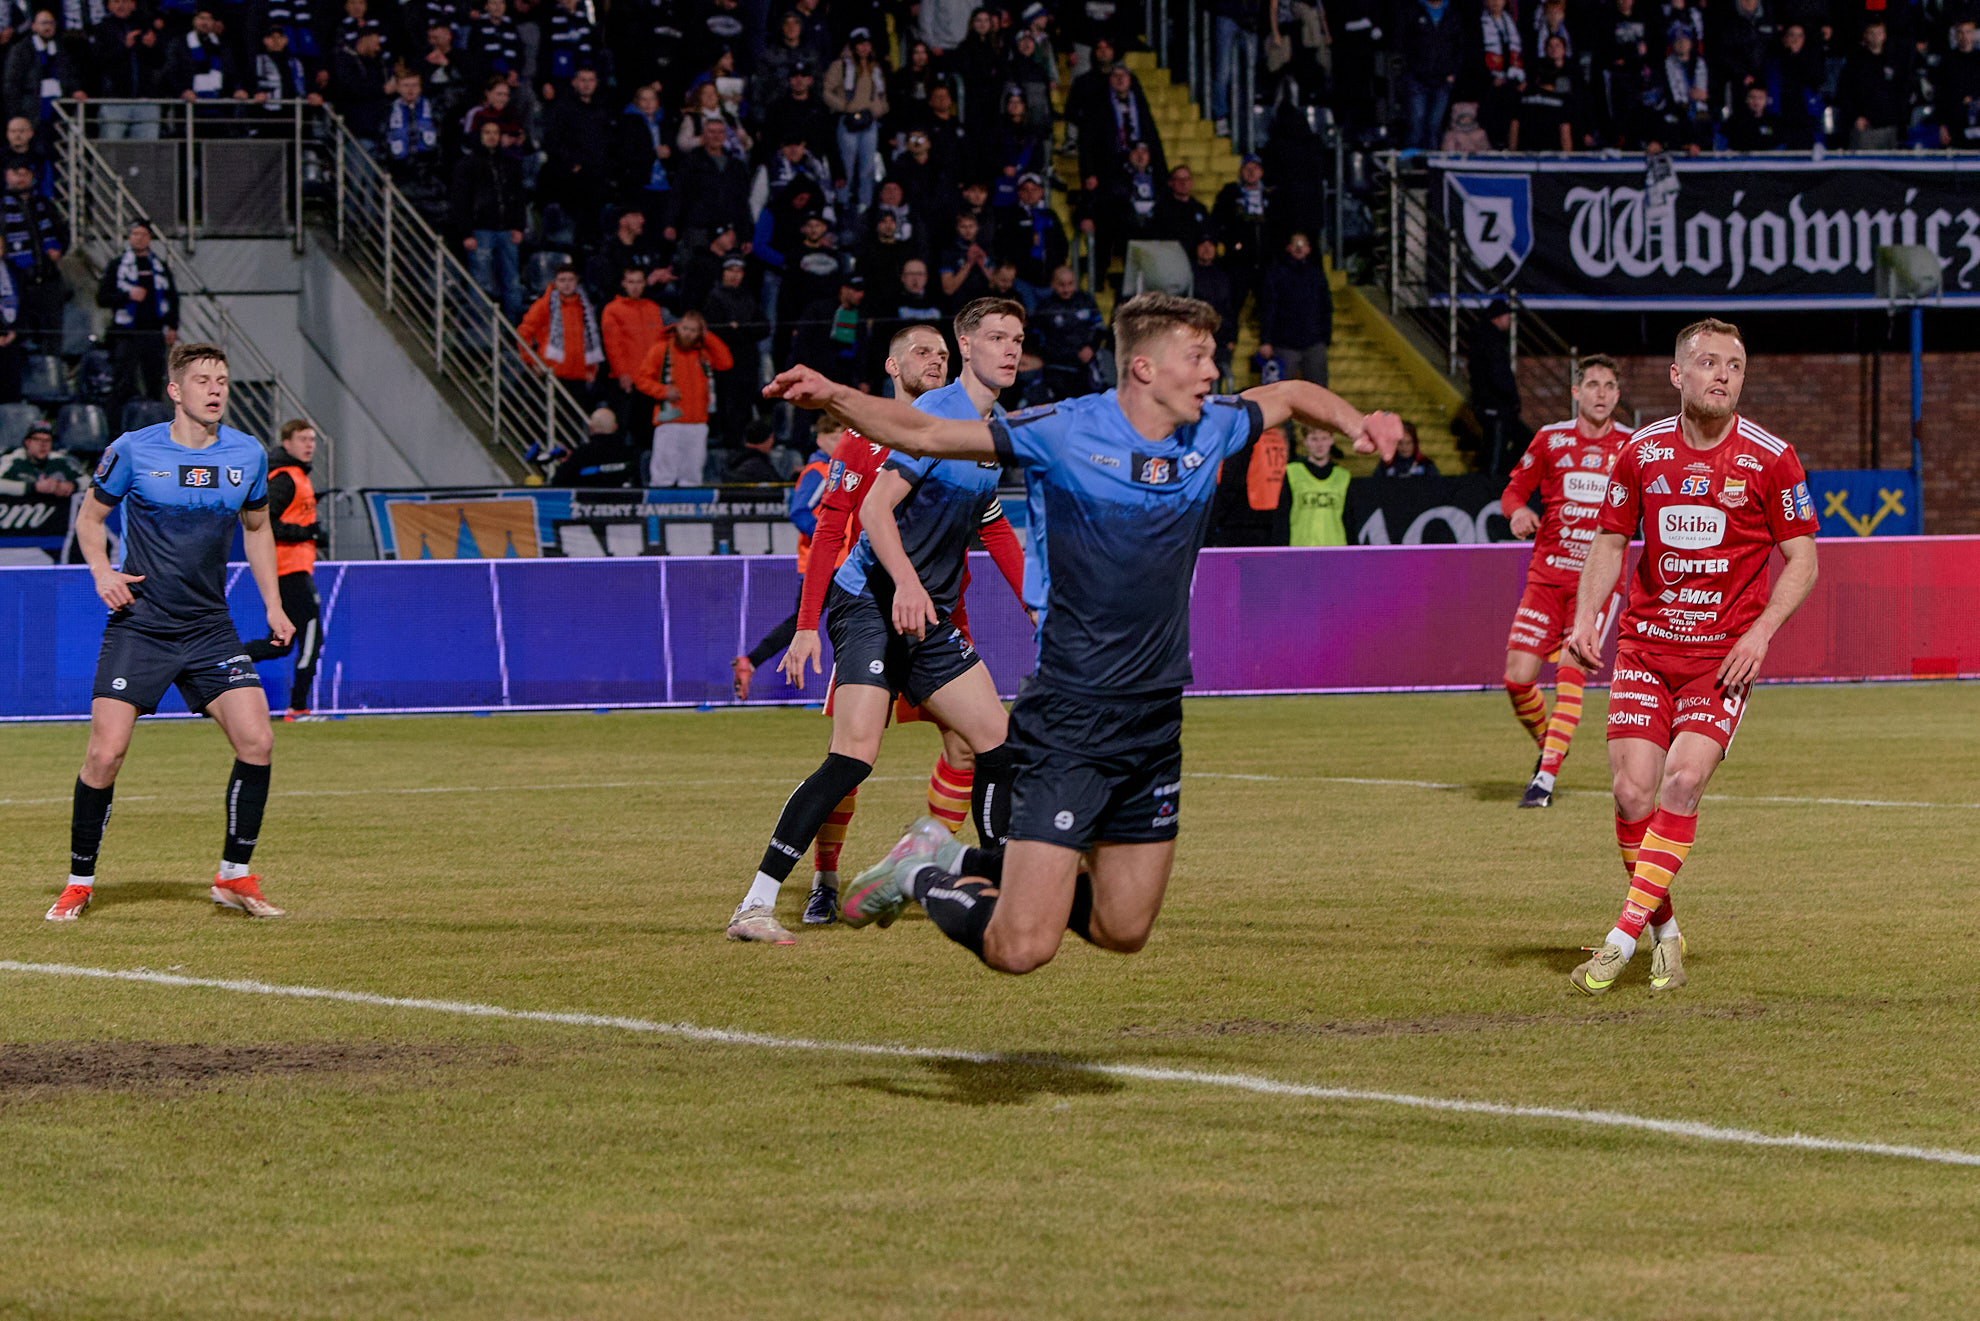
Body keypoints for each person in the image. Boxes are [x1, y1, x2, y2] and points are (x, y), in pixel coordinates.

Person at [773, 292, 1402, 973]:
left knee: (1123, 927)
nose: (1211, 371)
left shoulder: (1213, 427)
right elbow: (923, 433)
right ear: (1144, 368)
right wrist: (834, 395)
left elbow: (1290, 393)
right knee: (1021, 947)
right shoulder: (1067, 430)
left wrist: (1357, 421)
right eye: (1196, 357)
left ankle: (944, 855)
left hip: (1154, 719)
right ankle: (918, 874)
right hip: (1072, 713)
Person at [729, 299, 1032, 944]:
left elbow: (989, 521)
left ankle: (997, 886)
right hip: (868, 600)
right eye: (997, 337)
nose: (1011, 349)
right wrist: (892, 590)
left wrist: (1035, 598)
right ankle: (755, 905)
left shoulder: (992, 429)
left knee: (1001, 748)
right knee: (853, 757)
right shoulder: (932, 417)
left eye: (1018, 338)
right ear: (968, 345)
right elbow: (870, 511)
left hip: (927, 615)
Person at [1564, 319, 1819, 995]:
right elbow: (1610, 542)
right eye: (1708, 362)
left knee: (1681, 783)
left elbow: (1803, 559)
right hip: (1646, 649)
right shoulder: (1642, 452)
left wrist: (1760, 634)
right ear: (1678, 375)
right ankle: (1666, 935)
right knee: (1630, 792)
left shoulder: (1771, 458)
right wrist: (1587, 617)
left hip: (1722, 659)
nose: (1723, 375)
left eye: (1734, 365)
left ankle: (1619, 940)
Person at [46, 342, 295, 923]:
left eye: (223, 380)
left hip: (210, 628)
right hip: (142, 625)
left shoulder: (247, 454)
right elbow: (90, 518)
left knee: (257, 742)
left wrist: (274, 605)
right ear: (176, 391)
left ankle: (234, 876)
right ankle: (80, 882)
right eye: (203, 380)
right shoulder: (133, 449)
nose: (216, 389)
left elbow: (258, 529)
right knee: (105, 754)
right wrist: (102, 572)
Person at [1499, 355, 1631, 810]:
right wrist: (1518, 510)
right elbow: (1514, 490)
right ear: (1576, 392)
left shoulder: (1631, 446)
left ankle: (1544, 780)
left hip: (1597, 585)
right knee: (1517, 679)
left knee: (1571, 675)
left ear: (1617, 395)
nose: (1601, 394)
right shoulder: (1551, 440)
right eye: (1592, 385)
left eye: (1609, 386)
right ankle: (1551, 744)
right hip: (1547, 576)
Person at [242, 421, 329, 720]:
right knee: (311, 639)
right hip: (289, 570)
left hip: (289, 569)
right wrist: (307, 533)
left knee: (280, 643)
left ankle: (227, 658)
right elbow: (266, 524)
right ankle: (299, 707)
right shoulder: (285, 478)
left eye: (312, 440)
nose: (310, 445)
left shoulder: (295, 476)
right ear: (287, 443)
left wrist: (311, 533)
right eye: (303, 439)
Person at [635, 309, 732, 485]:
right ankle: (661, 503)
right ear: (677, 327)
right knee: (663, 476)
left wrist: (708, 336)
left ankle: (689, 503)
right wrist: (663, 391)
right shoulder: (660, 349)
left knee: (692, 476)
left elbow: (726, 362)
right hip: (669, 422)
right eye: (685, 328)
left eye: (693, 330)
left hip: (697, 423)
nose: (687, 334)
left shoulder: (703, 353)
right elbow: (642, 379)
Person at [95, 220, 178, 420]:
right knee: (123, 383)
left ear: (150, 238)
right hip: (126, 334)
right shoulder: (117, 265)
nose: (139, 239)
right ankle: (116, 428)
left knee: (154, 384)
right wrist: (127, 295)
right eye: (135, 234)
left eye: (144, 234)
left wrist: (172, 326)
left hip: (153, 333)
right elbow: (102, 298)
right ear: (129, 237)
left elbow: (172, 298)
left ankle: (154, 428)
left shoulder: (159, 266)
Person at [451, 118, 527, 320]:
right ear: (479, 135)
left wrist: (519, 226)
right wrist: (466, 232)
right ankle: (480, 327)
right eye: (487, 132)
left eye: (495, 132)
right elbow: (460, 201)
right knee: (481, 282)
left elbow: (519, 197)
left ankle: (514, 327)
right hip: (480, 230)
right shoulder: (467, 165)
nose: (492, 137)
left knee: (512, 281)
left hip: (507, 230)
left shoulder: (510, 164)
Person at [822, 26, 887, 217]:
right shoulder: (840, 66)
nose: (864, 48)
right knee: (846, 167)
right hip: (848, 122)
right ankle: (842, 204)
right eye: (860, 44)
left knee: (867, 168)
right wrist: (844, 106)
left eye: (867, 44)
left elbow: (881, 94)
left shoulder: (874, 67)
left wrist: (877, 110)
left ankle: (864, 206)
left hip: (869, 123)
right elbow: (826, 91)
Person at [1257, 232, 1330, 385]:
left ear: (1308, 249)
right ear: (1288, 248)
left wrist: (1325, 337)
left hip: (1314, 343)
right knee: (1280, 390)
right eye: (1295, 244)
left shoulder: (1316, 274)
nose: (1299, 248)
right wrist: (1265, 340)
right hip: (1284, 344)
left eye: (1302, 244)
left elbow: (1326, 307)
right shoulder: (1276, 273)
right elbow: (1268, 307)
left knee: (1318, 391)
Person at [517, 263, 602, 394]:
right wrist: (532, 362)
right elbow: (523, 333)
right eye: (562, 280)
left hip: (578, 376)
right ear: (555, 282)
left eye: (570, 280)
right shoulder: (543, 305)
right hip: (552, 374)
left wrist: (591, 369)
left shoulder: (585, 307)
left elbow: (590, 340)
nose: (566, 284)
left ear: (576, 282)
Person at [1469, 298, 1523, 476]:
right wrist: (1512, 398)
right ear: (1497, 317)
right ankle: (1491, 486)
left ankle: (1489, 482)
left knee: (1491, 446)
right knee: (1496, 450)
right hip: (1496, 404)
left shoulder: (1482, 338)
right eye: (1507, 316)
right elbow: (1498, 373)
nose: (1509, 320)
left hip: (1487, 403)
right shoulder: (1492, 341)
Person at [1283, 431, 1348, 546]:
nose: (1319, 444)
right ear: (1305, 441)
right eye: (1314, 439)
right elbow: (1282, 517)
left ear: (1331, 440)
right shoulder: (1292, 472)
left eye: (1324, 438)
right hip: (1301, 548)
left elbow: (1349, 520)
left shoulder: (1343, 476)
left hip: (1335, 548)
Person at [0, 418, 87, 497]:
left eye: (47, 440)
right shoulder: (13, 459)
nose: (43, 445)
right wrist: (33, 487)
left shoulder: (58, 459)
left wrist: (73, 485)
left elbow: (88, 480)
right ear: (27, 443)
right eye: (38, 440)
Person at [1373, 422, 1439, 477]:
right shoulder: (1385, 466)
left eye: (1408, 443)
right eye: (1400, 443)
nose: (1404, 447)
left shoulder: (1426, 464)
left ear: (1415, 443)